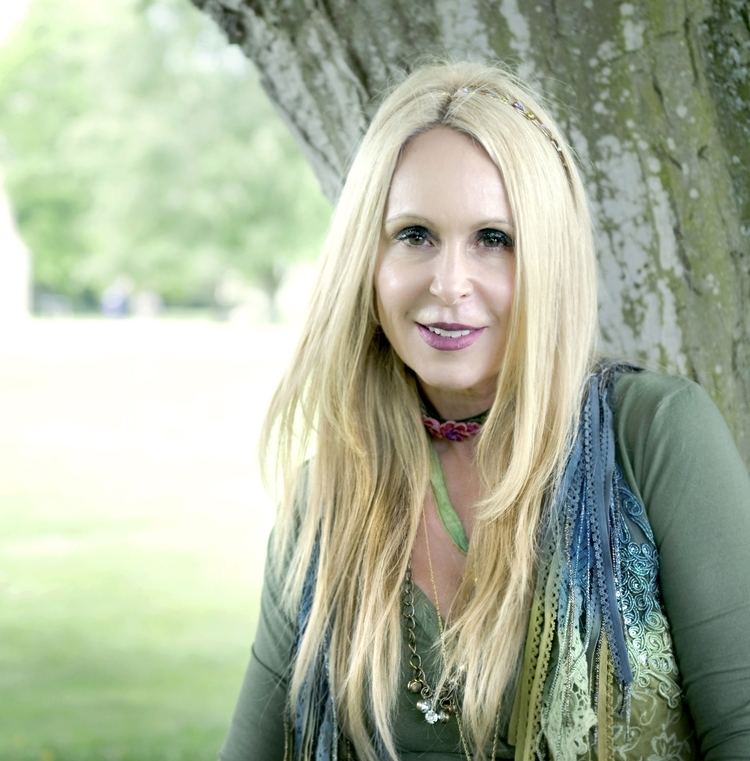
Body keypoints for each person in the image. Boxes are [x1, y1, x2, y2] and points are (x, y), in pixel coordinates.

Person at [219, 61, 750, 760]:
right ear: (366, 258)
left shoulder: (653, 435)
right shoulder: (328, 500)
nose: (449, 284)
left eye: (493, 239)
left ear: (549, 260)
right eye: (414, 234)